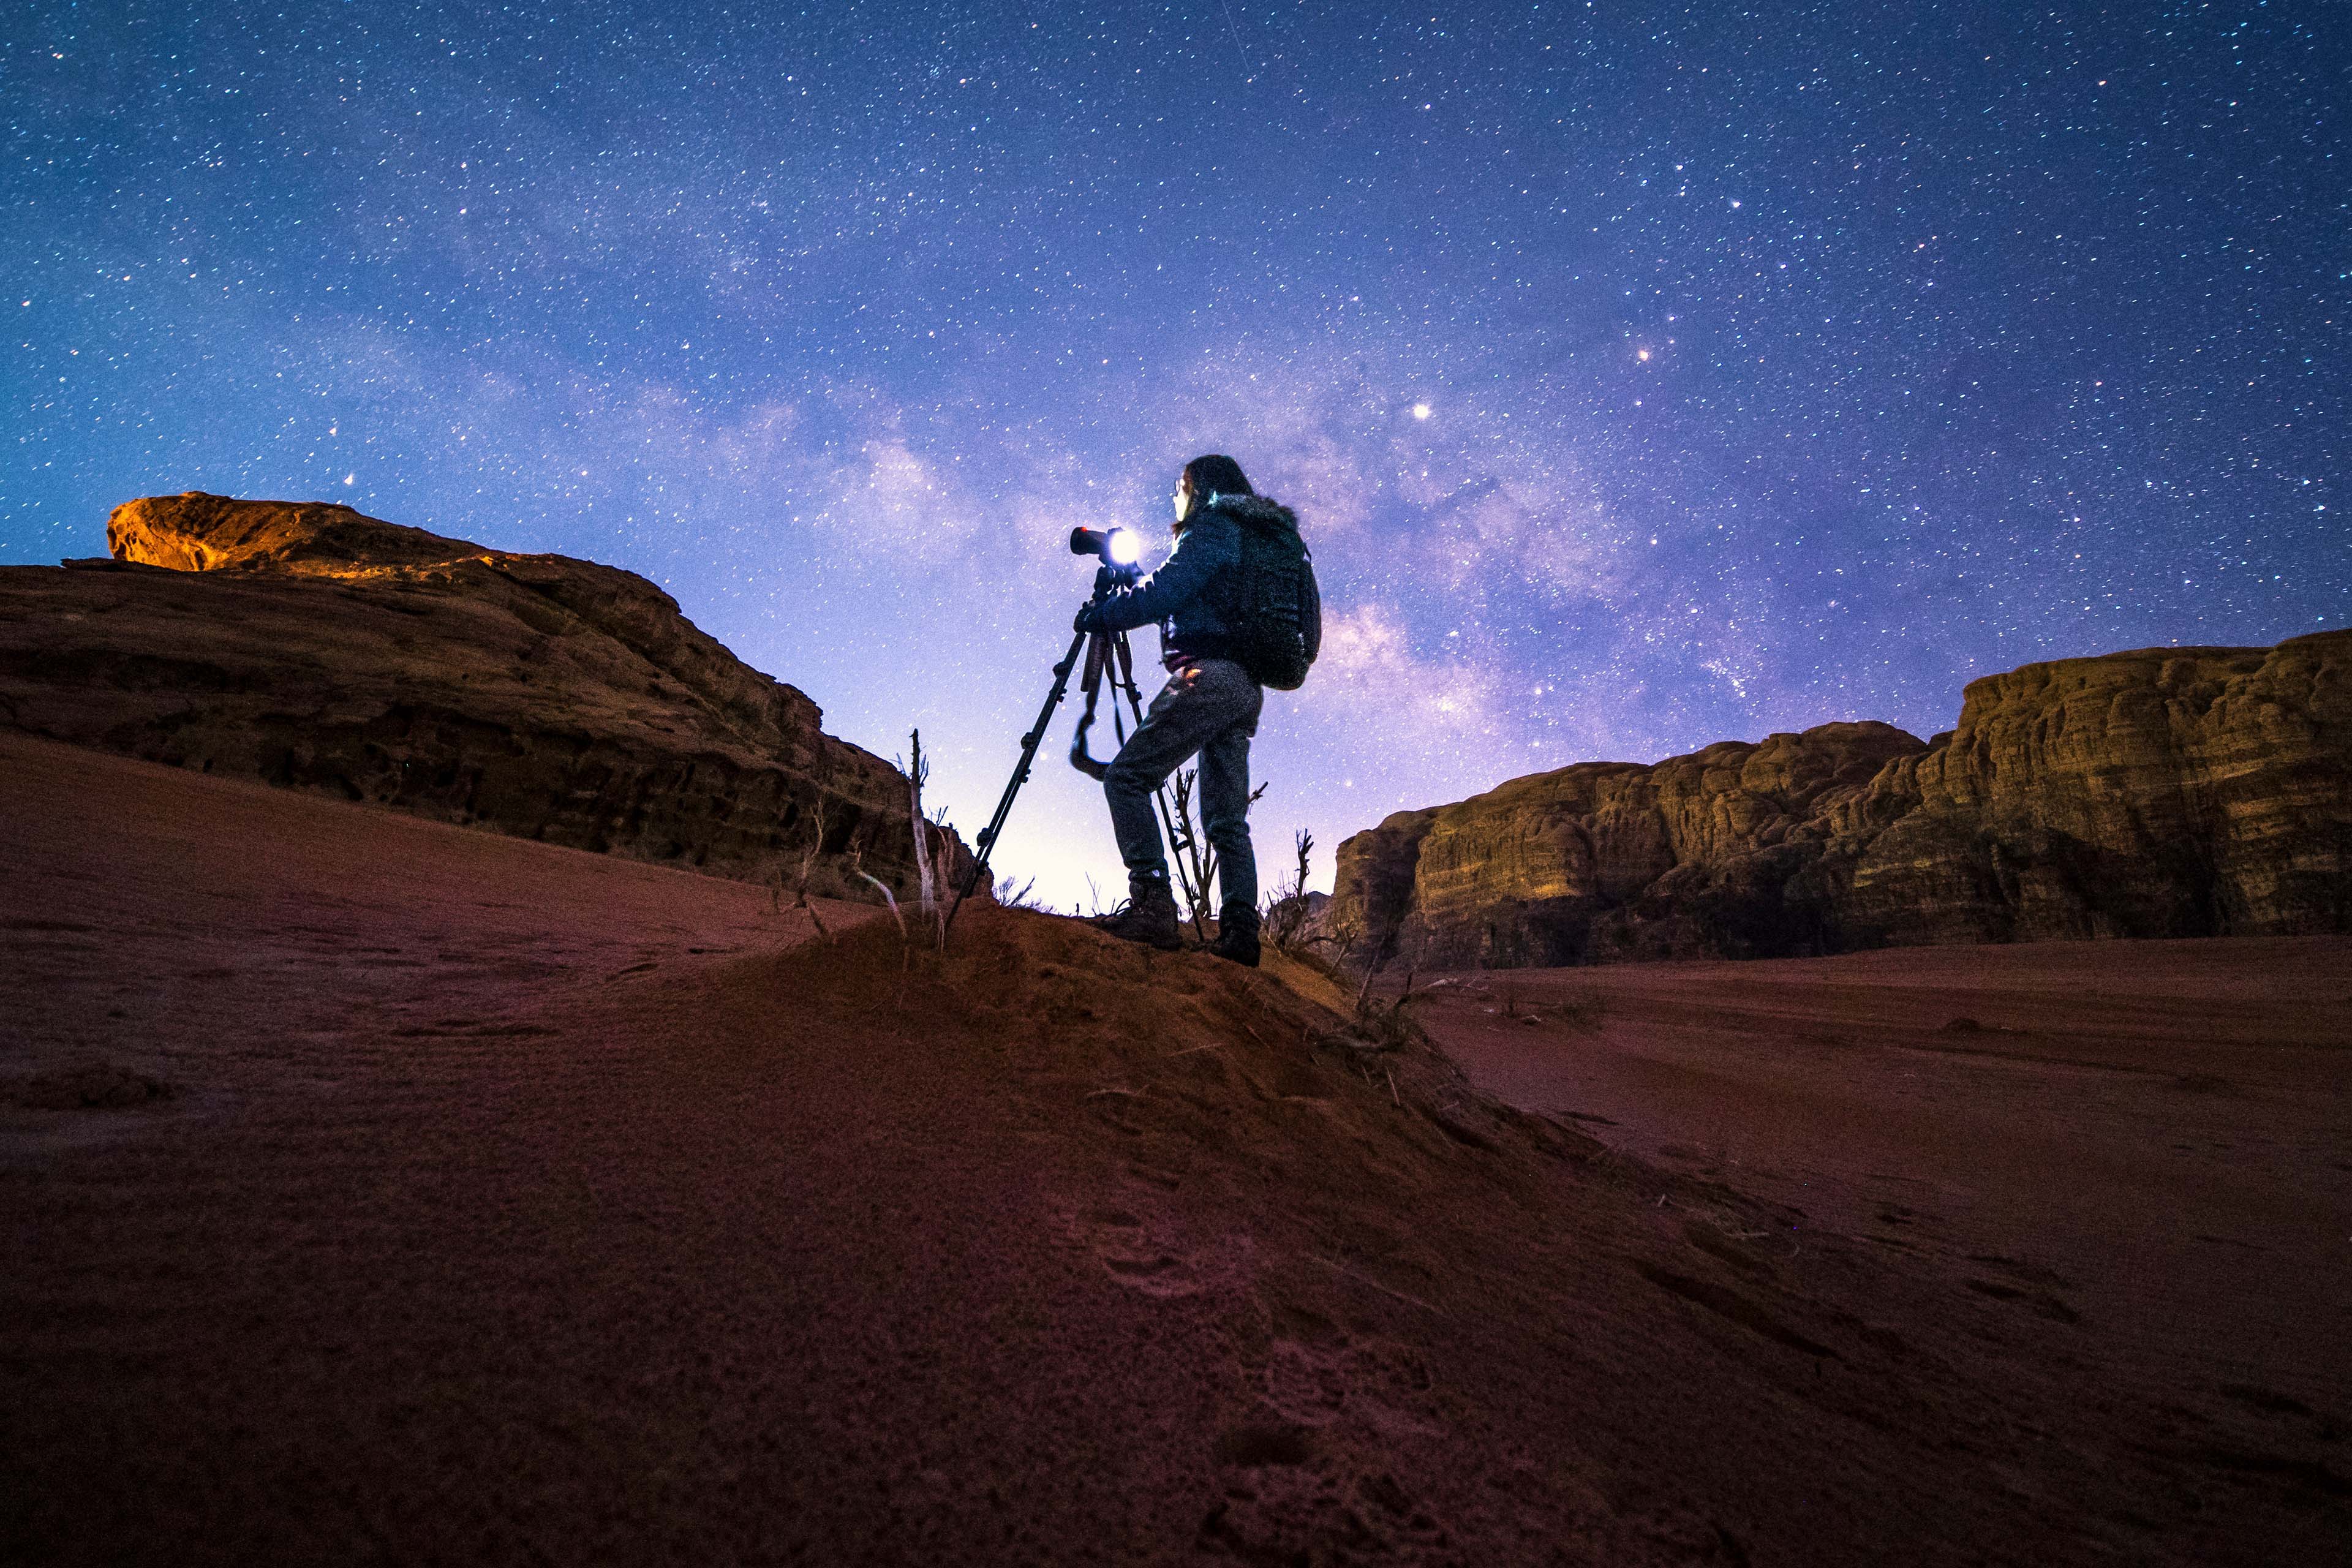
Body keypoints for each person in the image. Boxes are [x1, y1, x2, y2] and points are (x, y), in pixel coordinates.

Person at [1072, 453, 1289, 966]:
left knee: (1126, 778)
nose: (1175, 493)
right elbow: (1183, 602)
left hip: (1206, 678)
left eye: (1179, 484)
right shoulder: (1250, 537)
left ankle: (1152, 906)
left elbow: (1161, 596)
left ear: (1198, 486)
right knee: (1226, 820)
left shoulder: (1213, 527)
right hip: (1243, 687)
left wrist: (1102, 616)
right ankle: (1241, 936)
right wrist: (1137, 579)